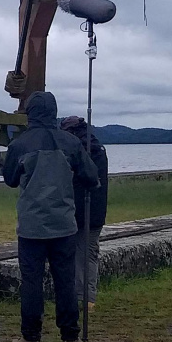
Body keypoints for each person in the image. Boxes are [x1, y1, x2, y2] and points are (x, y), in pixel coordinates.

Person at [2, 91, 98, 342]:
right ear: (54, 112)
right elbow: (91, 176)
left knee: (31, 282)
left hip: (32, 226)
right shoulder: (70, 143)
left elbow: (10, 179)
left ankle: (30, 337)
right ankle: (70, 337)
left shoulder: (19, 145)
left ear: (30, 113)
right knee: (65, 281)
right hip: (63, 224)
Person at [61, 115, 109, 312]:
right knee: (89, 254)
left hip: (75, 210)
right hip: (96, 212)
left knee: (73, 255)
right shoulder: (99, 149)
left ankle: (77, 295)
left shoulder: (74, 150)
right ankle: (88, 298)